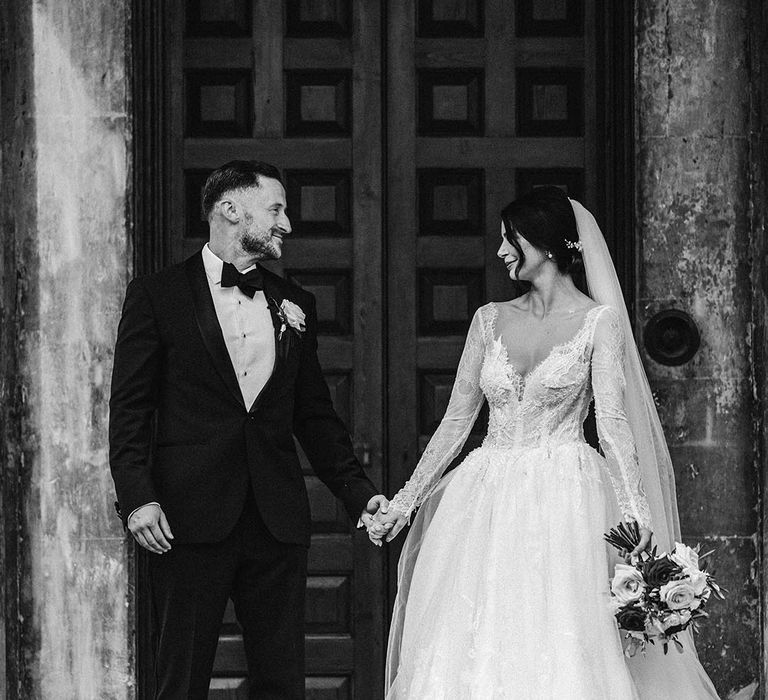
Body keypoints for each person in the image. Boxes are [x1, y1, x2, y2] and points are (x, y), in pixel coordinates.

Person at [367, 187, 720, 699]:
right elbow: (457, 419)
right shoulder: (489, 320)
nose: (502, 252)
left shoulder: (598, 323)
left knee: (557, 634)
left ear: (549, 246)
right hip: (483, 496)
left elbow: (614, 423)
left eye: (511, 240)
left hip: (565, 497)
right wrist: (406, 501)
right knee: (472, 636)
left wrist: (636, 513)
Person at [109, 160, 387, 699]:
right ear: (230, 209)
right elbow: (130, 411)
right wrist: (138, 497)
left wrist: (359, 496)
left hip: (275, 520)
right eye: (277, 209)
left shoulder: (294, 303)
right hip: (185, 520)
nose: (287, 224)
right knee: (180, 678)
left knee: (281, 682)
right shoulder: (157, 295)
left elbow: (314, 415)